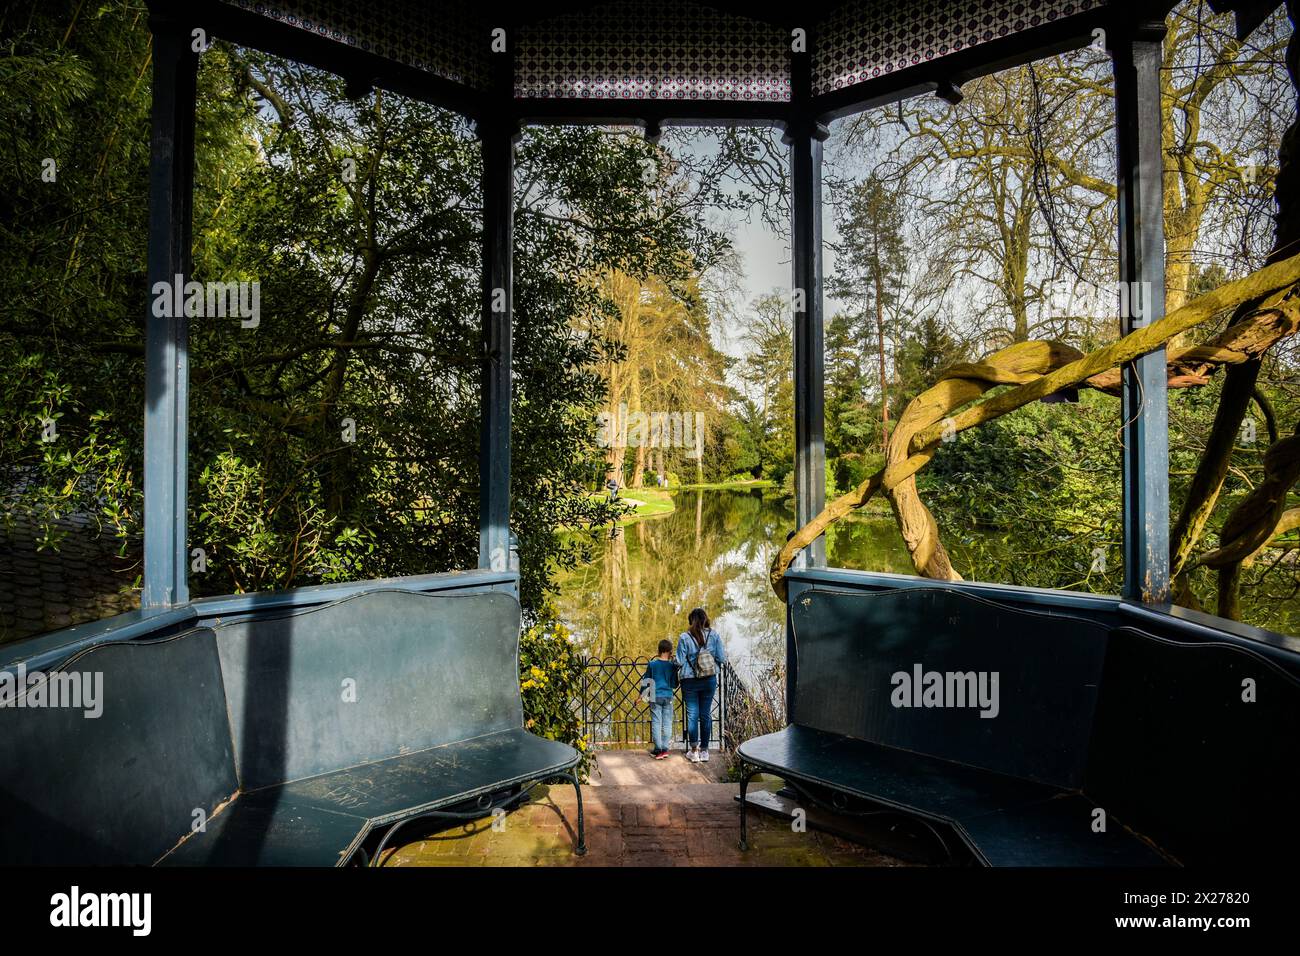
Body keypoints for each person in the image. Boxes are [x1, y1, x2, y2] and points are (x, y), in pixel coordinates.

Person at [676, 608, 726, 762]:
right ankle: (705, 751)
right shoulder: (714, 635)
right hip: (709, 679)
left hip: (689, 680)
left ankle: (694, 751)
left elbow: (679, 661)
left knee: (692, 715)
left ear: (691, 621)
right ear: (706, 619)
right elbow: (722, 658)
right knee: (705, 714)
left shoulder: (684, 637)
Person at [642, 640, 677, 759]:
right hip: (668, 696)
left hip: (654, 696)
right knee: (667, 723)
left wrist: (641, 697)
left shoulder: (652, 664)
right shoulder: (672, 666)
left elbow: (647, 682)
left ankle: (658, 750)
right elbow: (674, 684)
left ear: (658, 651)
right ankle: (665, 749)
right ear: (670, 652)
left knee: (656, 723)